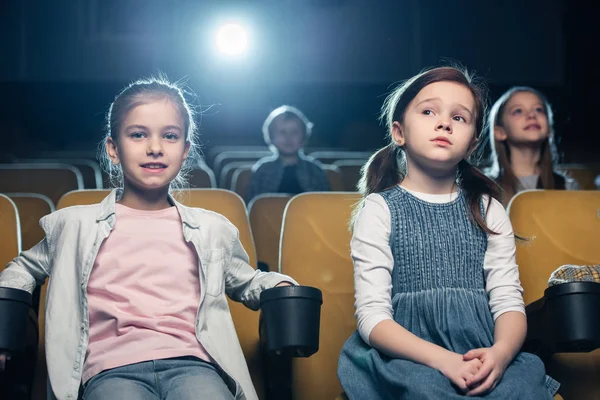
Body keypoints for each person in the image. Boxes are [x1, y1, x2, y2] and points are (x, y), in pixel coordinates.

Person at [0, 77, 297, 400]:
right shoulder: (74, 224)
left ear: (184, 152)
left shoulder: (212, 229)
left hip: (194, 365)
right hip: (110, 369)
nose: (155, 147)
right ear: (114, 149)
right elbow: (23, 269)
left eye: (169, 136)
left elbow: (247, 281)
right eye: (138, 134)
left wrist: (277, 285)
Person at [337, 66, 559, 399]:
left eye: (459, 118)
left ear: (472, 143)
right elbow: (372, 318)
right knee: (424, 389)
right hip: (409, 355)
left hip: (481, 352)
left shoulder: (488, 208)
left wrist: (499, 355)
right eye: (428, 111)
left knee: (520, 385)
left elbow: (508, 302)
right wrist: (445, 361)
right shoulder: (379, 209)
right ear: (399, 132)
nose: (444, 123)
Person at [487, 86, 579, 205]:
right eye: (518, 111)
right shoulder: (484, 188)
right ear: (500, 132)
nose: (531, 115)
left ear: (549, 129)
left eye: (539, 109)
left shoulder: (568, 187)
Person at [246, 105, 329, 203]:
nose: (288, 137)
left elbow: (325, 204)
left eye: (294, 132)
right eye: (282, 132)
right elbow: (253, 205)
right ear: (271, 136)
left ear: (304, 135)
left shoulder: (314, 169)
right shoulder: (263, 169)